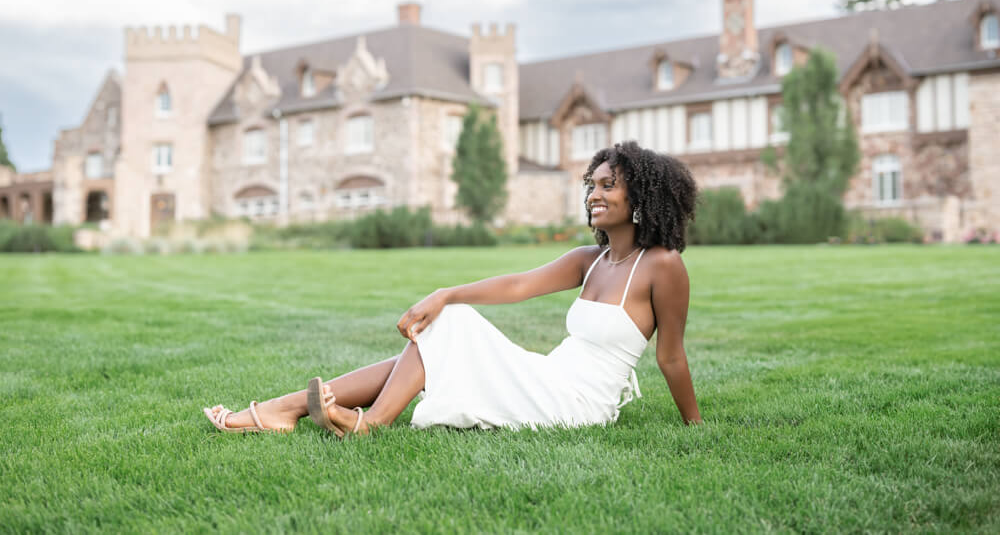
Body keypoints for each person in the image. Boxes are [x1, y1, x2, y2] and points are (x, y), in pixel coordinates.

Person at [204, 141, 702, 436]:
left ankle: (367, 424)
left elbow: (671, 358)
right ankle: (287, 408)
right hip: (548, 375)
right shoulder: (590, 261)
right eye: (591, 184)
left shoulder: (662, 266)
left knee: (449, 324)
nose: (594, 193)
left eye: (608, 185)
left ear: (640, 196)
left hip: (577, 404)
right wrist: (445, 291)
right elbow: (517, 285)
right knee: (439, 333)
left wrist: (695, 430)